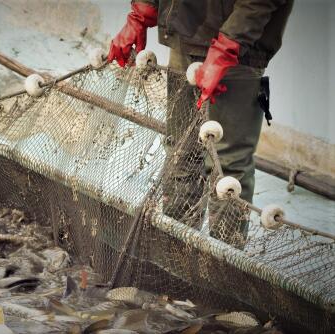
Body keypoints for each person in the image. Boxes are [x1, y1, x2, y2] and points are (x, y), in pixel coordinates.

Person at [108, 0, 293, 247]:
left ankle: (223, 268)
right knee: (181, 154)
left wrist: (226, 48)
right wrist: (141, 12)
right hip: (185, 32)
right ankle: (174, 260)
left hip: (240, 51)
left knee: (228, 171)